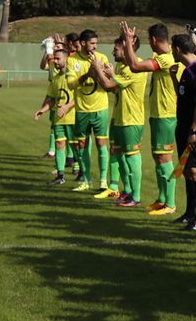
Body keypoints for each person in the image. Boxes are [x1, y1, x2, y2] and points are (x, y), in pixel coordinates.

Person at [118, 22, 182, 216]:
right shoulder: (162, 56)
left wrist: (128, 41)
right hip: (158, 115)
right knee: (158, 157)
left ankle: (170, 203)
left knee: (164, 158)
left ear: (153, 40)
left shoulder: (166, 59)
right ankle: (162, 199)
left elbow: (135, 66)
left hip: (166, 116)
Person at [65, 29, 117, 195]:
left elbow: (109, 83)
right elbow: (71, 84)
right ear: (82, 43)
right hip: (82, 110)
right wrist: (88, 74)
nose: (95, 46)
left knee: (101, 144)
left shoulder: (102, 58)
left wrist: (99, 72)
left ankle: (103, 182)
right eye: (92, 43)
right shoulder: (72, 60)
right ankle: (86, 180)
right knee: (82, 145)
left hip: (100, 108)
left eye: (96, 43)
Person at [172, 34, 196, 230]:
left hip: (192, 129)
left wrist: (194, 130)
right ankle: (189, 214)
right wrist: (173, 78)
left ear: (177, 49)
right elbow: (183, 95)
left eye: (173, 49)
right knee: (187, 171)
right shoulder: (186, 71)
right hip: (183, 126)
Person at [108, 34, 147, 208]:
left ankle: (136, 196)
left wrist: (106, 74)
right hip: (118, 117)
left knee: (132, 156)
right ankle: (127, 190)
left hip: (131, 118)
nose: (113, 52)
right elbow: (113, 89)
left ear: (126, 49)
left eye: (116, 49)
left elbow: (110, 84)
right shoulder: (120, 66)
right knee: (118, 154)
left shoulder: (136, 66)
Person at [34, 37, 76, 184]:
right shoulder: (56, 79)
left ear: (66, 58)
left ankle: (82, 173)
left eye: (58, 59)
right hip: (59, 118)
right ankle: (60, 176)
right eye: (55, 59)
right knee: (59, 145)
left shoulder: (73, 76)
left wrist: (67, 107)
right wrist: (43, 110)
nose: (55, 62)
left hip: (73, 118)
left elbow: (80, 97)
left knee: (76, 147)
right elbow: (51, 99)